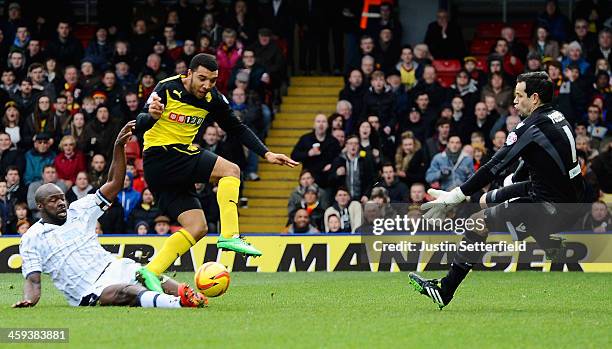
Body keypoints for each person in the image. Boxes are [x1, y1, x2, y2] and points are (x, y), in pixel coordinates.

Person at [410, 72, 586, 309]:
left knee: (476, 222)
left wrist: (455, 195)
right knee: (484, 200)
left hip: (550, 206)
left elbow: (494, 166)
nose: (514, 101)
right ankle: (552, 246)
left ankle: (445, 289)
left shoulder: (529, 127)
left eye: (518, 95)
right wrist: (514, 179)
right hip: (564, 195)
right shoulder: (557, 116)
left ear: (534, 98)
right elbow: (538, 156)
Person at [135, 53, 296, 291]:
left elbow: (236, 128)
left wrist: (267, 154)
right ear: (188, 73)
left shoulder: (212, 98)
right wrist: (152, 116)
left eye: (212, 80)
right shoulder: (166, 88)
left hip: (170, 168)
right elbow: (139, 122)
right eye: (202, 78)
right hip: (161, 156)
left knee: (197, 227)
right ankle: (230, 235)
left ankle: (150, 271)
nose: (206, 85)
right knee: (231, 170)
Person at [14, 121, 207, 309]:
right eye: (53, 200)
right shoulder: (32, 238)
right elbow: (33, 280)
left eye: (61, 198)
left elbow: (114, 183)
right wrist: (29, 300)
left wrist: (118, 146)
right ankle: (177, 303)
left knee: (146, 275)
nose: (60, 203)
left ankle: (187, 293)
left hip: (113, 267)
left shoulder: (79, 210)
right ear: (40, 206)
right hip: (89, 289)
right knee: (127, 291)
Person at [291, 113, 342, 186]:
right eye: (318, 121)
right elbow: (294, 156)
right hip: (309, 180)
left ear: (327, 125)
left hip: (327, 180)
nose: (321, 124)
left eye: (323, 122)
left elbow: (339, 158)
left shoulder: (333, 141)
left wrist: (332, 165)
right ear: (314, 125)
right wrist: (308, 153)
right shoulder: (305, 139)